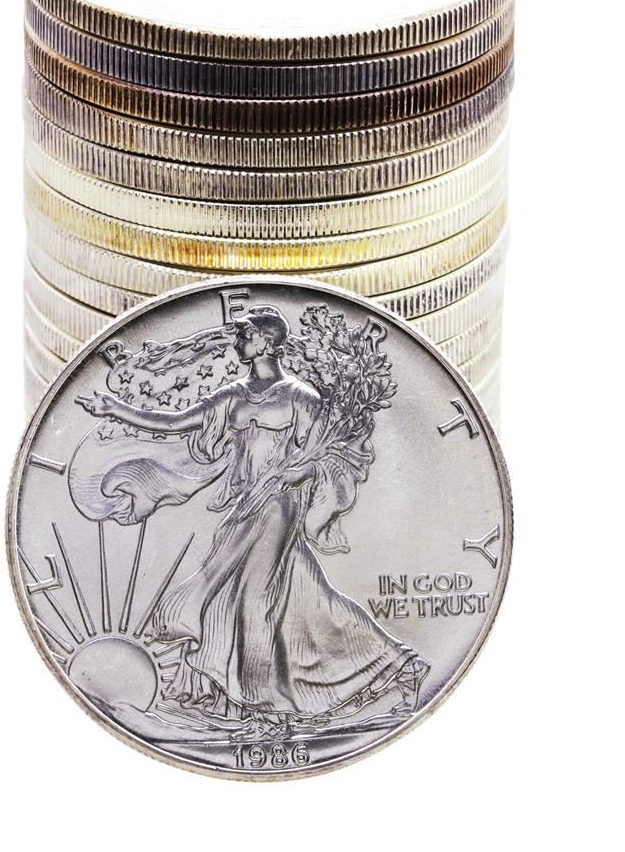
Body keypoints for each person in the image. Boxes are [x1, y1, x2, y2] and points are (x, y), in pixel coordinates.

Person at [81, 305, 427, 738]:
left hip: (279, 505)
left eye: (245, 335)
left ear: (267, 341)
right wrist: (116, 409)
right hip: (246, 505)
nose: (238, 341)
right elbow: (175, 422)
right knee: (306, 600)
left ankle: (268, 711)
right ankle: (398, 666)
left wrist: (302, 471)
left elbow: (331, 452)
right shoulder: (233, 395)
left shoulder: (300, 396)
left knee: (252, 601)